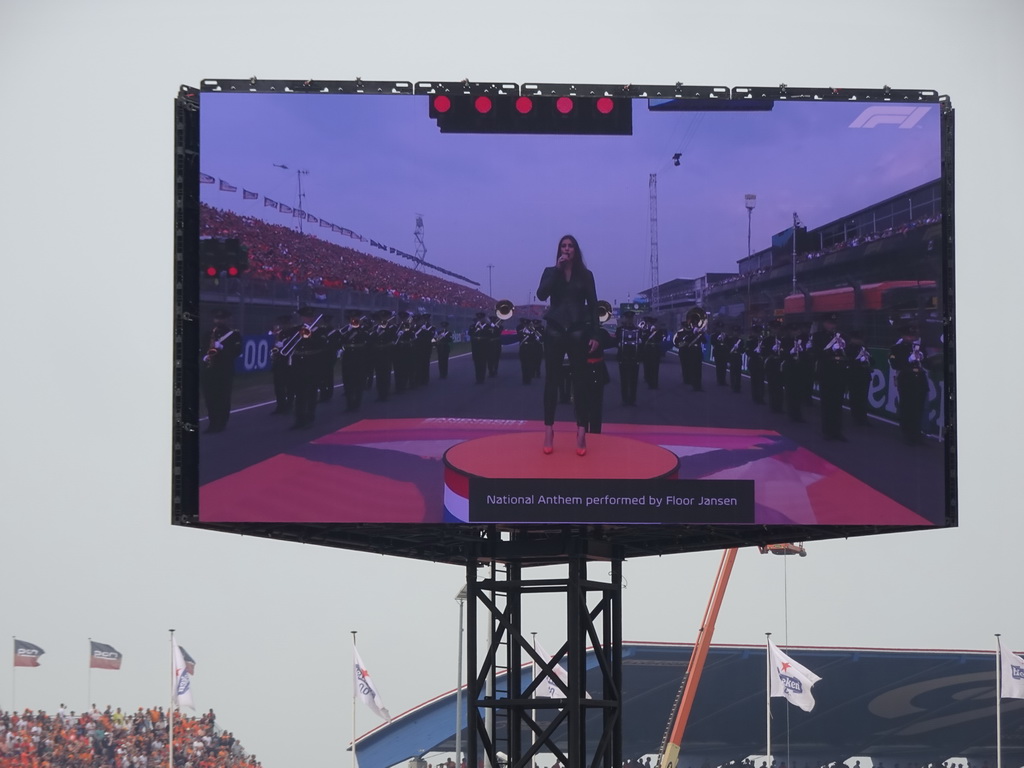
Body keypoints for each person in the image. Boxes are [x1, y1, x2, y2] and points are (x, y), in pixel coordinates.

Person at [536, 234, 600, 455]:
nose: (566, 249)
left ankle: (581, 431)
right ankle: (548, 429)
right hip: (554, 328)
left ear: (576, 250)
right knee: (551, 381)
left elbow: (593, 305)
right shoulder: (550, 271)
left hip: (578, 330)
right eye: (563, 246)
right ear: (559, 250)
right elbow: (542, 294)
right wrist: (556, 269)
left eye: (570, 246)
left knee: (580, 381)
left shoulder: (586, 275)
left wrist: (595, 335)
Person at [200, 308, 242, 433]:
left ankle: (221, 422)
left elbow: (237, 352)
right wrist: (204, 356)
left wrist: (223, 347)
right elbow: (202, 348)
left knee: (222, 397)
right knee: (210, 398)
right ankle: (212, 423)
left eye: (222, 318)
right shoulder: (208, 333)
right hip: (210, 370)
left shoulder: (234, 335)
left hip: (224, 370)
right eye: (217, 318)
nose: (219, 321)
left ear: (227, 320)